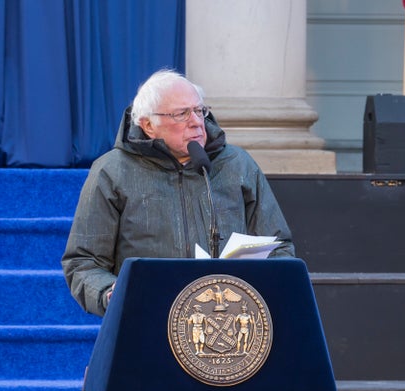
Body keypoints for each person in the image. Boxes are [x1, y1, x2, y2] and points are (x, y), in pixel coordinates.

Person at [61, 69, 295, 316]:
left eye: (199, 110)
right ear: (148, 125)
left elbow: (278, 247)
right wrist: (110, 292)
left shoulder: (237, 164)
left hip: (229, 324)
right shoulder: (112, 171)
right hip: (148, 319)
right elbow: (82, 263)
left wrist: (270, 289)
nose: (196, 121)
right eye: (181, 114)